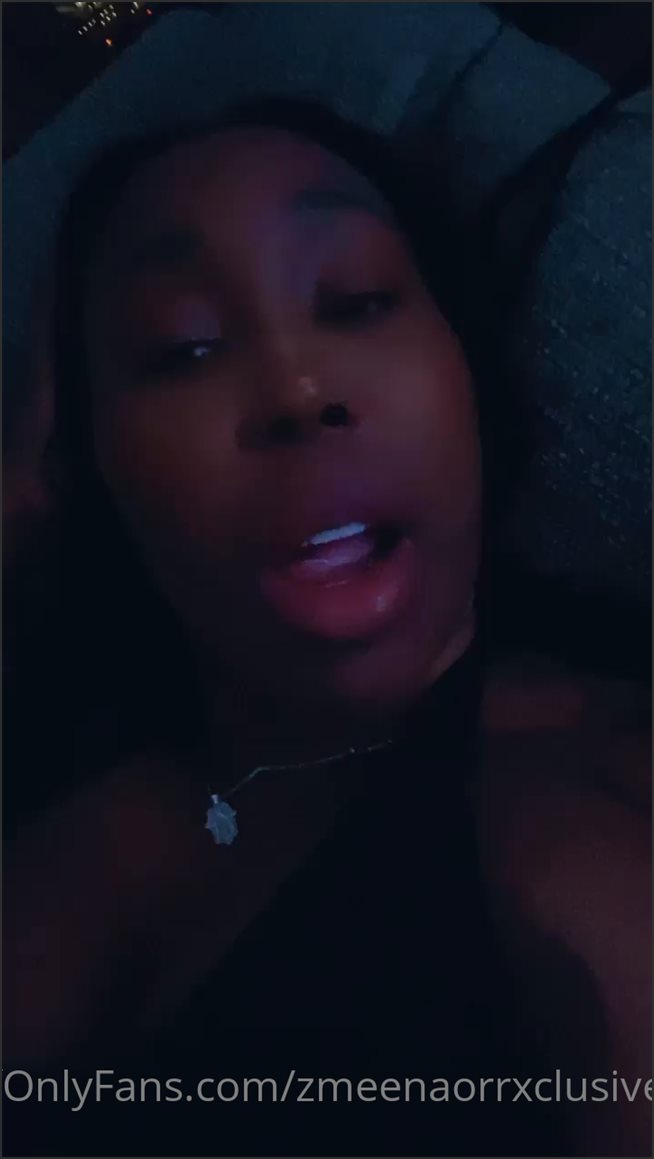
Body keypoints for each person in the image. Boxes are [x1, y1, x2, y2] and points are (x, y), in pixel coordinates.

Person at [4, 100, 651, 1157]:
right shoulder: (115, 836)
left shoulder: (604, 737)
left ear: (467, 375)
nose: (299, 391)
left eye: (357, 299)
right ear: (91, 470)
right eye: (183, 348)